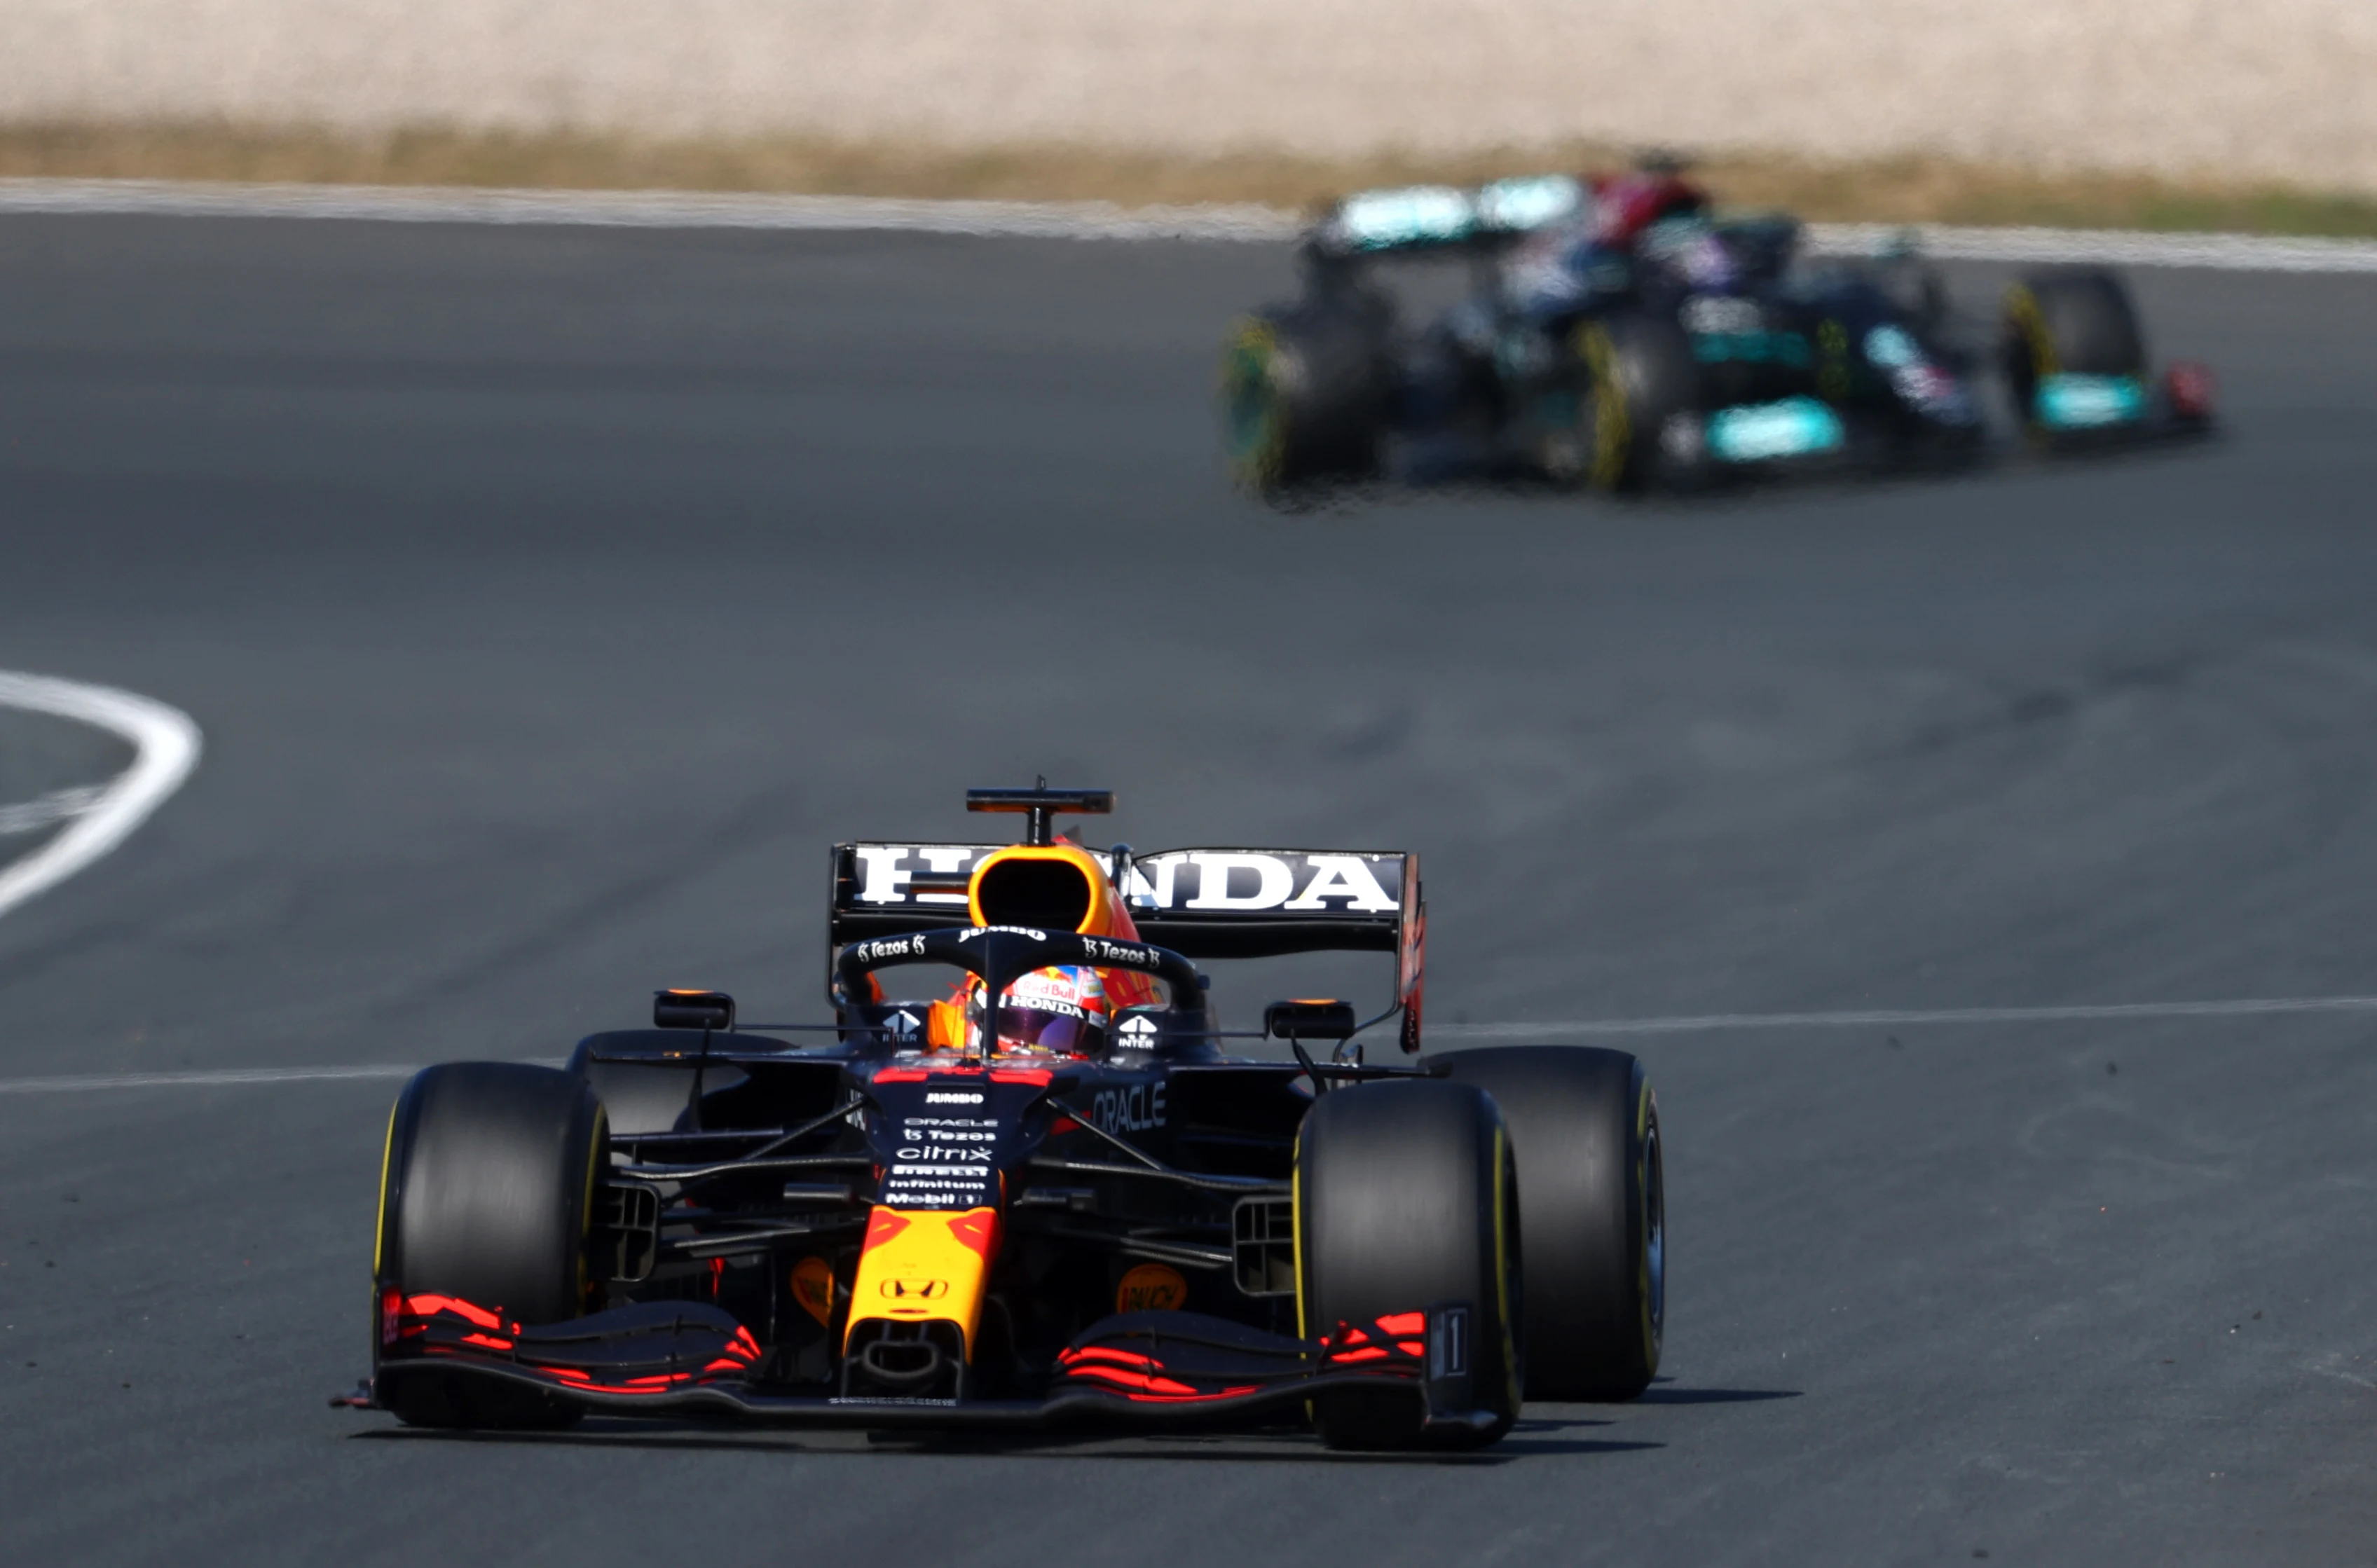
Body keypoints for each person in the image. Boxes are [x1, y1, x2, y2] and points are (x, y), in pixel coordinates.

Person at [926, 963, 1151, 1057]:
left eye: (1059, 1033)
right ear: (980, 1016)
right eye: (1015, 1023)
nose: (1031, 1049)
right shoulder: (942, 1026)